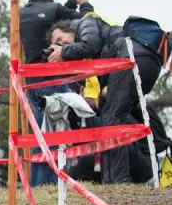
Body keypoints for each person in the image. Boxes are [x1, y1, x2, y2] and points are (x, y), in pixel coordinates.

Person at [48, 17, 165, 184]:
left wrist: (64, 53)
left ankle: (117, 180)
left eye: (61, 39)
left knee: (112, 119)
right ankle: (157, 145)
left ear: (71, 29)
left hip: (132, 56)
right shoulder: (93, 60)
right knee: (122, 110)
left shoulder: (84, 22)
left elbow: (91, 44)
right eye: (57, 44)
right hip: (147, 61)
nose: (61, 45)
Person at [20, 0, 93, 186]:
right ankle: (51, 185)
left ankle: (39, 186)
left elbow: (50, 19)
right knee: (56, 135)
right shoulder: (56, 9)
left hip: (31, 82)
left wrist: (68, 3)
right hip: (54, 79)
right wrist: (84, 3)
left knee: (40, 134)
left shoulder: (22, 13)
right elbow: (87, 22)